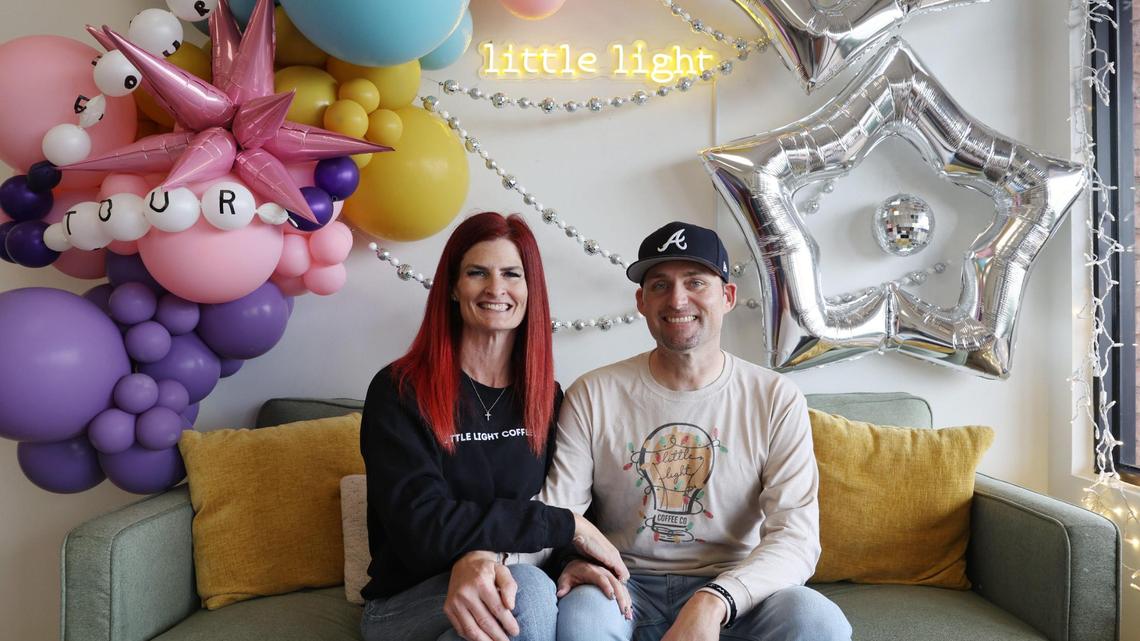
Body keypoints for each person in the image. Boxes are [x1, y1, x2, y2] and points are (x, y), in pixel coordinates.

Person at [544, 221, 852, 641]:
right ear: (641, 301)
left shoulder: (775, 398)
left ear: (727, 296)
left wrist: (715, 600)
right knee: (581, 620)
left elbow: (796, 538)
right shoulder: (594, 394)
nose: (677, 299)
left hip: (738, 590)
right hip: (624, 585)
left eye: (695, 282)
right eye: (659, 285)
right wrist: (492, 561)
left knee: (820, 621)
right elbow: (558, 513)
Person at [358, 212, 628, 641]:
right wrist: (566, 526)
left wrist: (568, 559)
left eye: (511, 274)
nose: (495, 288)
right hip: (408, 602)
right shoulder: (399, 390)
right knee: (528, 590)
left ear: (530, 289)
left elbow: (563, 496)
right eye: (477, 272)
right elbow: (420, 528)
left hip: (501, 591)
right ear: (452, 287)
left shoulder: (544, 396)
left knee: (554, 596)